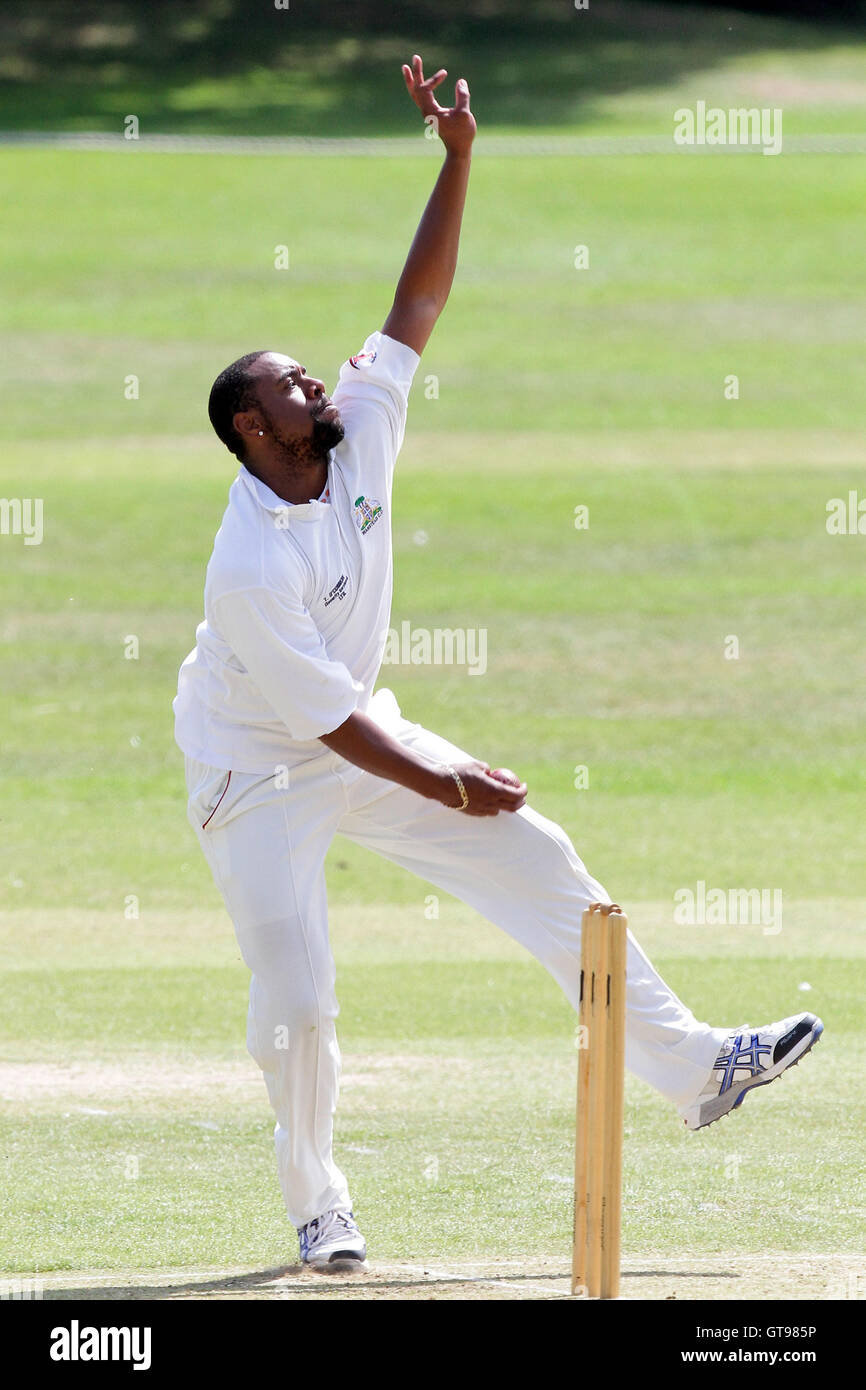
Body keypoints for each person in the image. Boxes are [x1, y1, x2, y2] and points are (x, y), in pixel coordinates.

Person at [173, 56, 822, 1272]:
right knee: (299, 1003)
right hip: (254, 772)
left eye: (306, 374)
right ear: (253, 433)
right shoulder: (246, 565)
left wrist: (458, 157)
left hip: (354, 726)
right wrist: (444, 778)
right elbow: (327, 735)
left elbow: (413, 309)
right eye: (287, 385)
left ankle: (694, 1070)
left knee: (537, 853)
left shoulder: (353, 427)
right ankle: (319, 1207)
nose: (315, 378)